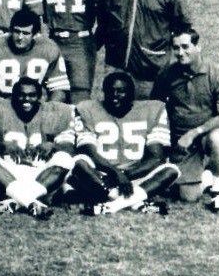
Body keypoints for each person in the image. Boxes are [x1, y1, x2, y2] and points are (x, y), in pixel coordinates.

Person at [68, 71, 178, 215]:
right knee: (79, 162)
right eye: (110, 91)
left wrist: (125, 174)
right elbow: (89, 151)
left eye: (121, 91)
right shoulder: (87, 109)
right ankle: (135, 203)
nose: (115, 96)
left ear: (132, 94)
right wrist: (115, 174)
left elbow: (156, 157)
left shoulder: (153, 110)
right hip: (101, 175)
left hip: (136, 173)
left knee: (171, 170)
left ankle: (111, 205)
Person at [0, 76, 76, 218]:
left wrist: (53, 146)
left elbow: (69, 147)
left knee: (65, 158)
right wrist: (2, 146)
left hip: (42, 175)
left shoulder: (56, 112)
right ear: (13, 97)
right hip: (8, 175)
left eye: (32, 95)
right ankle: (31, 202)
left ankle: (17, 202)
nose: (26, 99)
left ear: (40, 97)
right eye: (21, 95)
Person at [150, 30, 219, 208]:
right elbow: (155, 106)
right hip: (181, 140)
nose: (180, 52)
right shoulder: (167, 74)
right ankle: (205, 177)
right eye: (176, 48)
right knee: (188, 197)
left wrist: (195, 132)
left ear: (198, 47)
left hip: (206, 134)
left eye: (185, 47)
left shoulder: (216, 72)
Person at [0, 9, 70, 103]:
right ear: (10, 30)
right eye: (17, 31)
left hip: (37, 107)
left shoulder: (49, 48)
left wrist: (47, 113)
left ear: (35, 35)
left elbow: (59, 90)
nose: (20, 37)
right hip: (2, 106)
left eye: (26, 33)